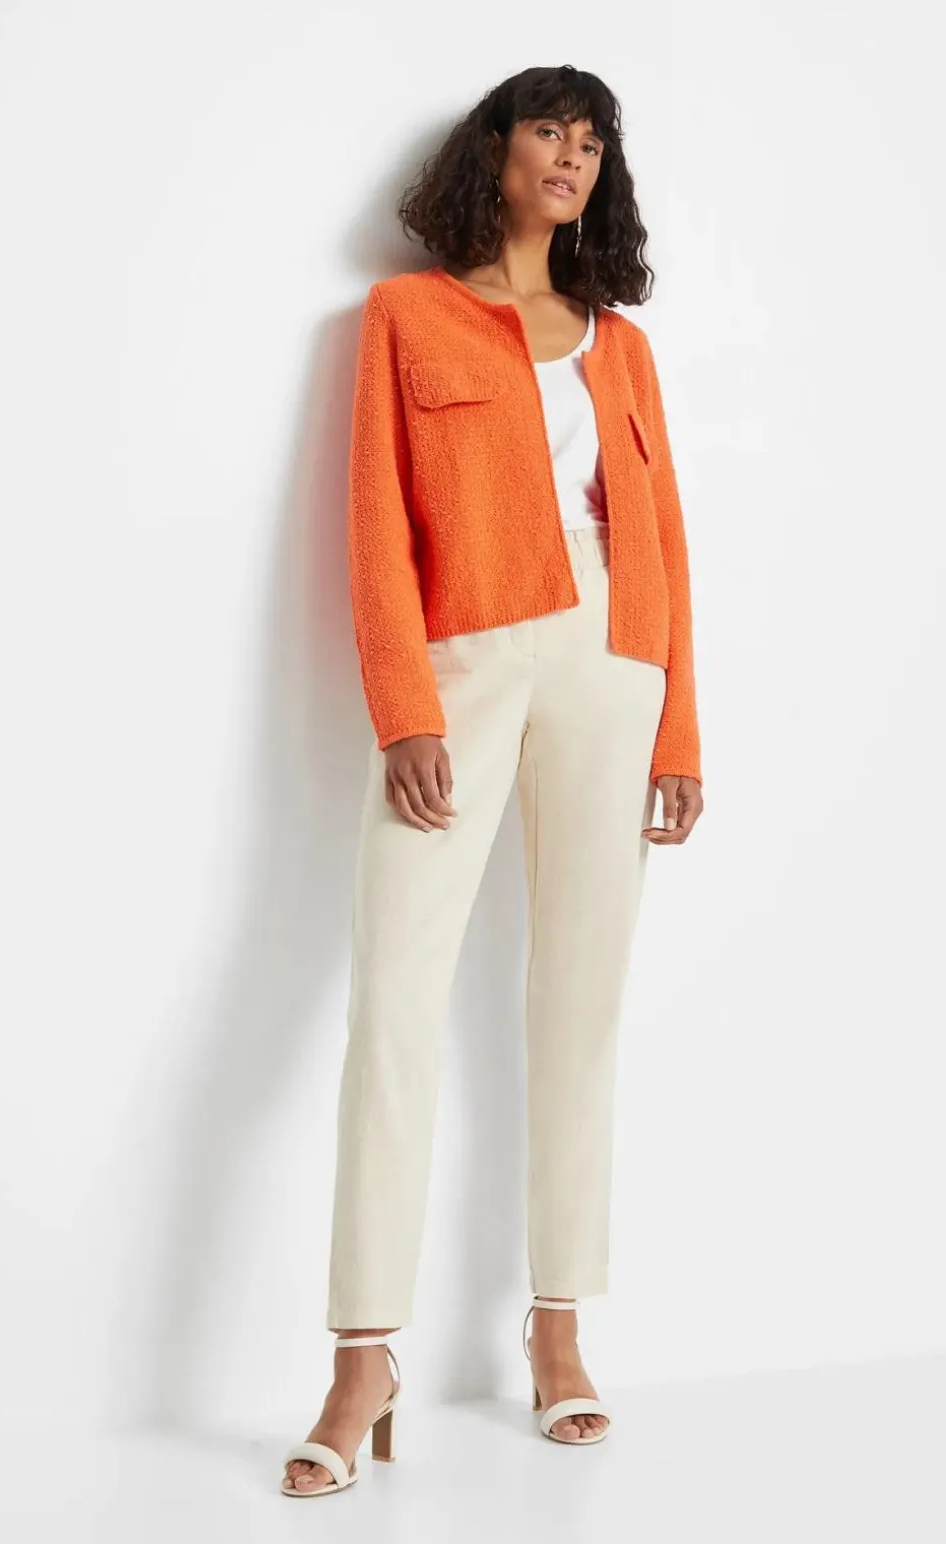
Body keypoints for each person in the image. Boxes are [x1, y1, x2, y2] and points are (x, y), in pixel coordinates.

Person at [282, 63, 704, 1498]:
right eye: (548, 131)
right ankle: (362, 1359)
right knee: (395, 996)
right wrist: (403, 708)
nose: (571, 156)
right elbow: (374, 525)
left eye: (592, 142)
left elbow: (665, 540)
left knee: (578, 1004)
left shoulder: (621, 347)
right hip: (464, 660)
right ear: (496, 150)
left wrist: (678, 732)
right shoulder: (405, 317)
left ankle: (558, 1327)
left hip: (613, 658)